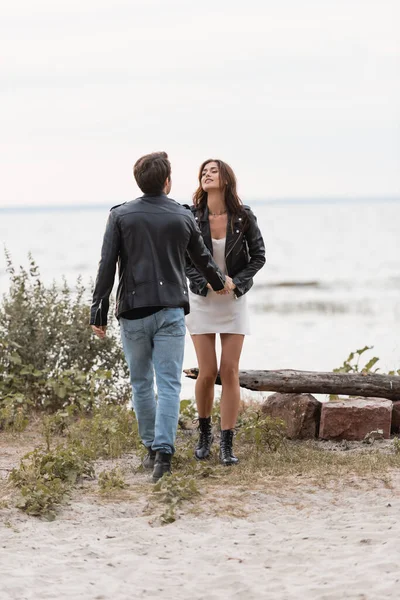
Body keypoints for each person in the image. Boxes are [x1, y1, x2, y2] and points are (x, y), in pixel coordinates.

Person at [90, 152, 229, 482]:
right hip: (169, 309)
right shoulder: (181, 217)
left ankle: (152, 447)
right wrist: (219, 282)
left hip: (133, 311)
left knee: (141, 383)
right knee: (168, 384)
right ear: (167, 182)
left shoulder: (120, 215)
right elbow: (202, 259)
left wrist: (98, 310)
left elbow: (106, 265)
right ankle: (164, 457)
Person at [185, 159, 266, 465]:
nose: (207, 174)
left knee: (230, 371)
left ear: (226, 179)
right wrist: (204, 282)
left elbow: (258, 256)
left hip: (233, 301)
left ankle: (226, 444)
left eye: (213, 170)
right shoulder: (191, 217)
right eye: (203, 171)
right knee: (207, 372)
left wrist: (237, 283)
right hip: (202, 301)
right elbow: (183, 260)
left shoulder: (243, 217)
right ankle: (205, 434)